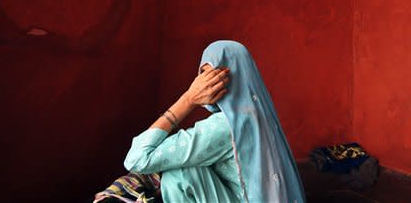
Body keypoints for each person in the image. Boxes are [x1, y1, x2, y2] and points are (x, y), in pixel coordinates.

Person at [95, 40, 306, 203]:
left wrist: (188, 99)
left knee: (179, 174)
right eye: (202, 76)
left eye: (209, 76)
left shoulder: (227, 126)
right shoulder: (261, 117)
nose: (203, 84)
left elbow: (138, 159)